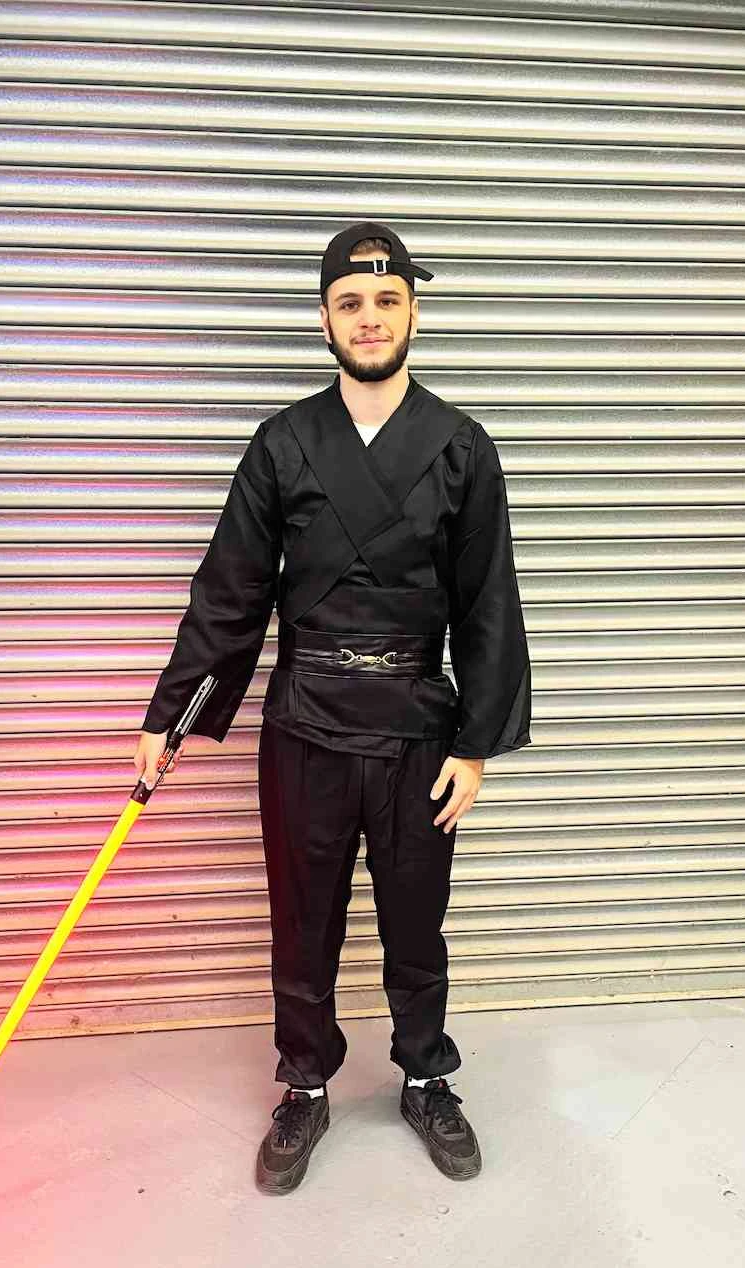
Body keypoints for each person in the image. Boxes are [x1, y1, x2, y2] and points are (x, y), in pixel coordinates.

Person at [133, 221, 531, 1194]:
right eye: (350, 303)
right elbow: (230, 589)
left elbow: (488, 602)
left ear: (414, 313)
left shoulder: (461, 449)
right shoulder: (283, 446)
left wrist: (477, 743)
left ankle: (425, 1076)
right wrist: (170, 716)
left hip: (416, 729)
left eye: (387, 300)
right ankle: (305, 1084)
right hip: (305, 723)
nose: (369, 318)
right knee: (302, 923)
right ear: (324, 319)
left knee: (416, 925)